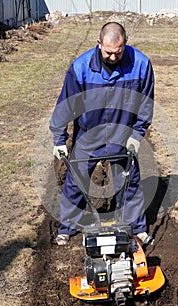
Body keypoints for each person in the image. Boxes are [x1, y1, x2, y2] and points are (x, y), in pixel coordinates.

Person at [50, 22, 154, 245]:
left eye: (119, 51)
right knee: (76, 180)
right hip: (88, 134)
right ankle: (67, 228)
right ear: (99, 44)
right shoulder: (80, 67)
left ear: (125, 44)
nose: (114, 57)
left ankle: (137, 227)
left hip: (121, 133)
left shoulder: (141, 64)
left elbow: (146, 104)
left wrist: (137, 135)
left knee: (128, 181)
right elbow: (65, 105)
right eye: (108, 52)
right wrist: (59, 139)